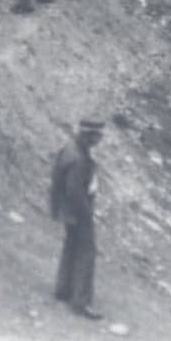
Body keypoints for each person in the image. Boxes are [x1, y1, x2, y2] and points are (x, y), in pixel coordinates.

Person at [50, 117, 106, 320]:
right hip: (78, 211)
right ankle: (81, 301)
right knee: (86, 252)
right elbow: (74, 191)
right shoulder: (79, 159)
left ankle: (63, 289)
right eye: (98, 135)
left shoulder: (71, 148)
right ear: (89, 134)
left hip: (68, 210)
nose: (100, 139)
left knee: (71, 246)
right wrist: (86, 214)